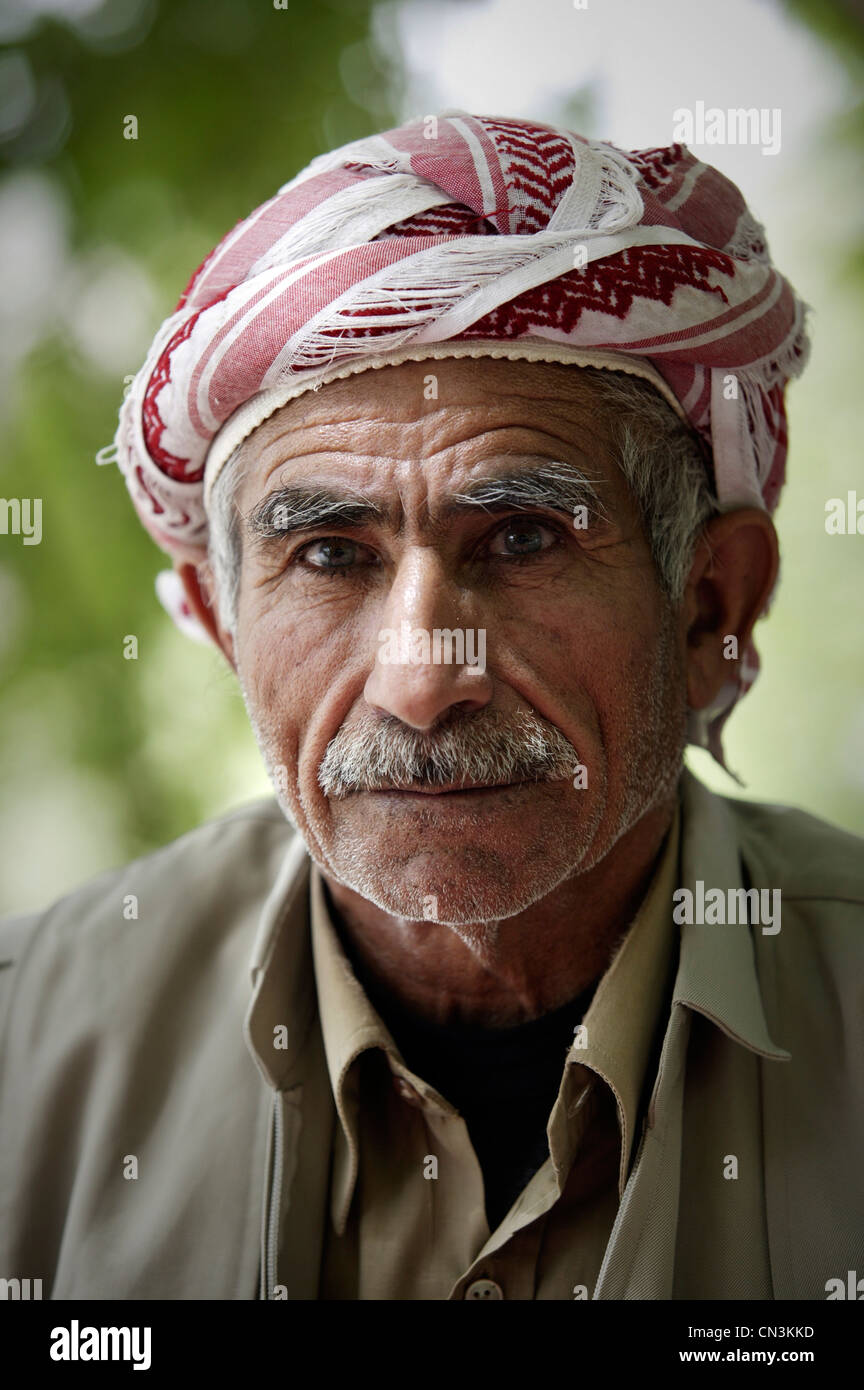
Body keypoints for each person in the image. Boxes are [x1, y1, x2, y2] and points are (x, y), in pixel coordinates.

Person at [1, 112, 861, 1301]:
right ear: (221, 619)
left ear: (709, 603)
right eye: (328, 555)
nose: (422, 678)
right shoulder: (28, 1047)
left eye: (519, 537)